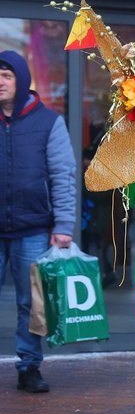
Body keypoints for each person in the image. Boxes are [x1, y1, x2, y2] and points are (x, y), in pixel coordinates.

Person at [0, 50, 77, 393]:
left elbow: (63, 175)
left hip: (32, 230)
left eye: (6, 75)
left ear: (22, 81)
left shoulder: (48, 121)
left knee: (31, 304)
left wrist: (63, 226)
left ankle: (29, 366)